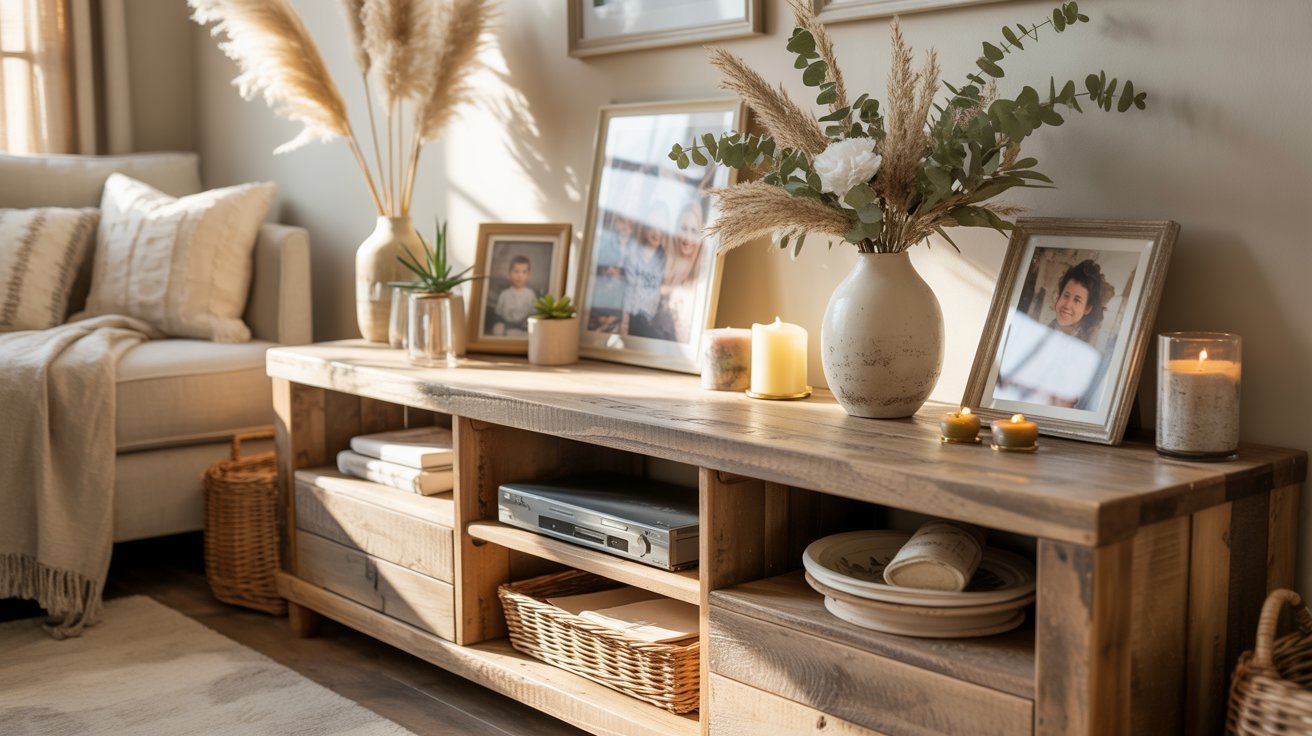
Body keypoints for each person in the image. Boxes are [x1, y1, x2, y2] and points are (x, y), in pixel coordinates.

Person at [656, 202, 706, 343]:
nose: (687, 238)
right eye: (683, 229)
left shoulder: (701, 278)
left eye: (693, 231)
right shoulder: (665, 264)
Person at [620, 203, 669, 339]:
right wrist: (625, 322)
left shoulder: (663, 258)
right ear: (645, 228)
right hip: (635, 316)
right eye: (652, 226)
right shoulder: (634, 255)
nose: (656, 233)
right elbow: (629, 289)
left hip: (653, 318)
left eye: (661, 228)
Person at [491, 254, 535, 336]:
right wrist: (502, 323)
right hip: (507, 326)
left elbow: (533, 313)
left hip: (523, 326)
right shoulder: (504, 294)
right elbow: (498, 313)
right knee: (497, 329)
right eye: (516, 271)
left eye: (524, 272)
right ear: (509, 274)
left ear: (528, 275)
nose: (519, 275)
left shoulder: (530, 294)